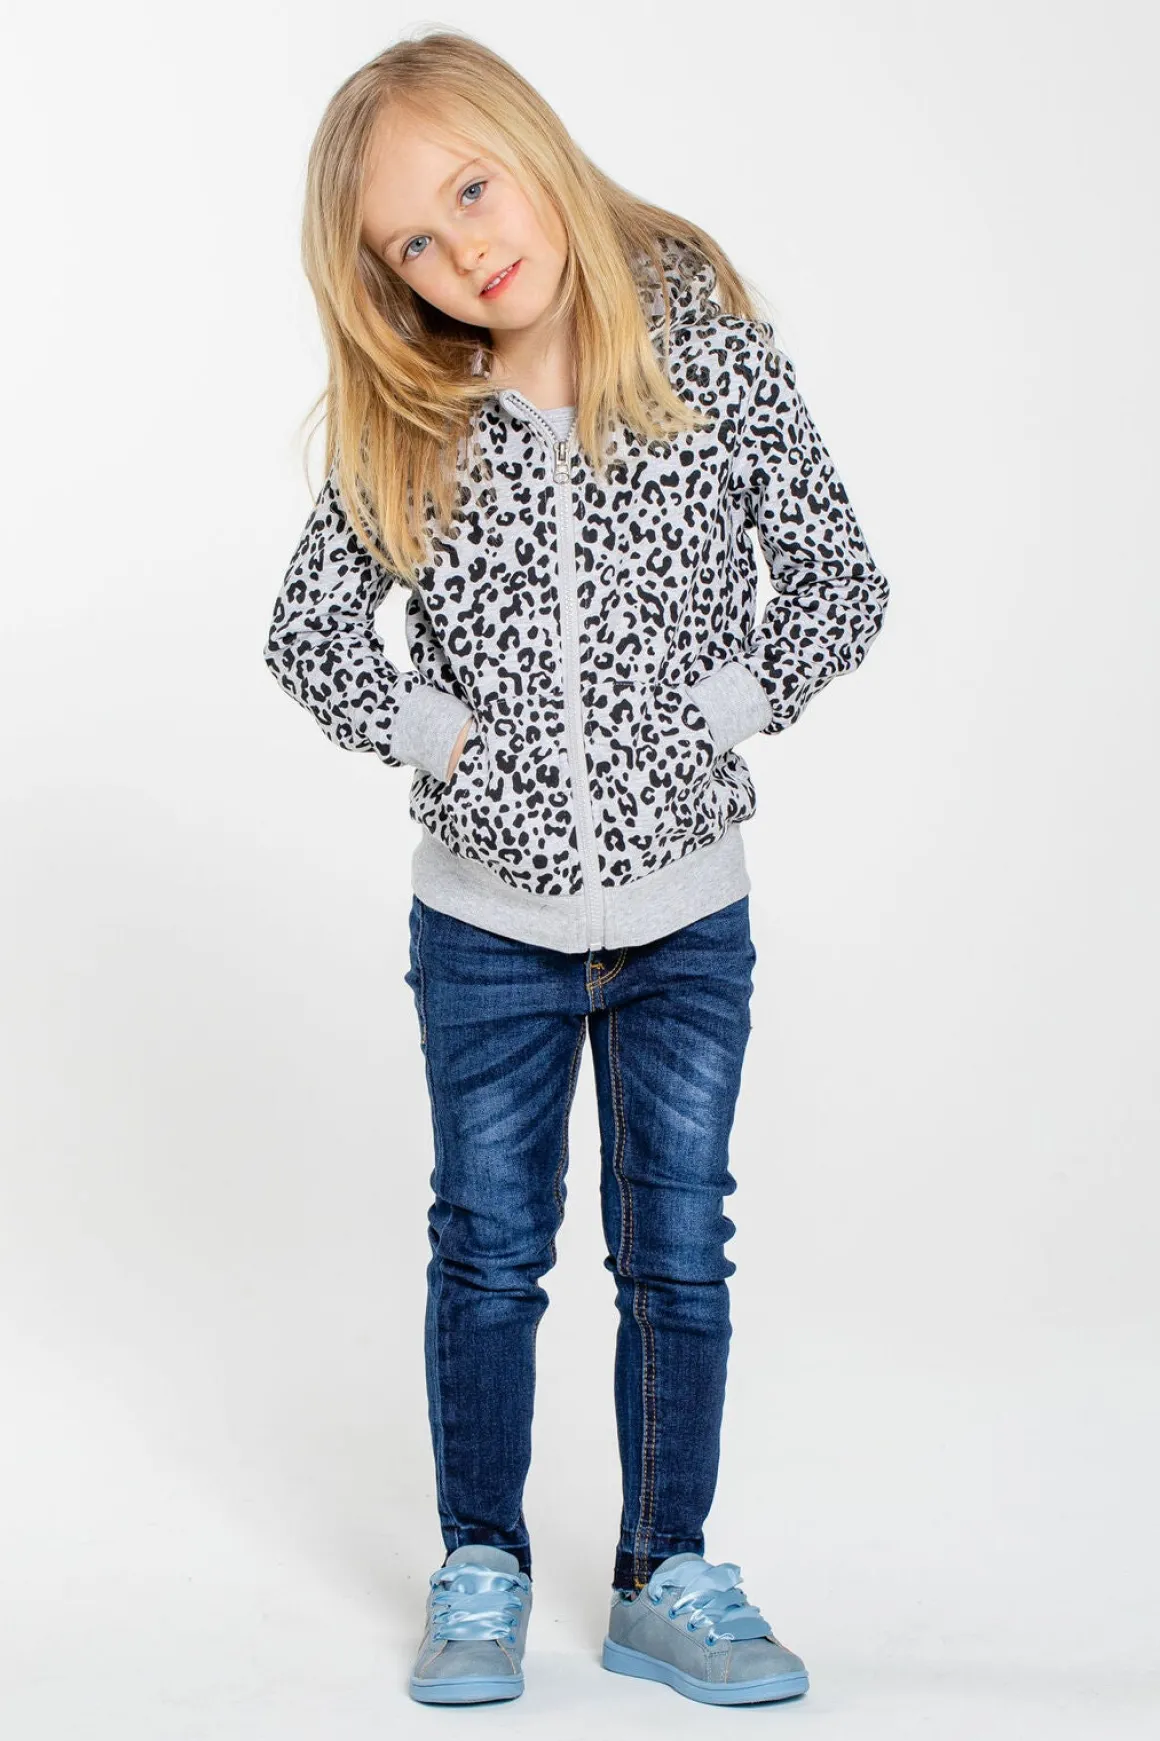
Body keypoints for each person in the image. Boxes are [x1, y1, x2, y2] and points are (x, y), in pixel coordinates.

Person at [263, 28, 889, 1710]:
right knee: (489, 1247)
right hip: (485, 930)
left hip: (688, 913)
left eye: (471, 188)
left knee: (677, 1251)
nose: (462, 249)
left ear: (531, 146)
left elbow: (839, 573)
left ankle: (663, 1576)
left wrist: (726, 705)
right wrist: (441, 741)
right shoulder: (417, 416)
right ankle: (480, 1565)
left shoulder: (700, 347)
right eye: (413, 240)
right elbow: (309, 633)